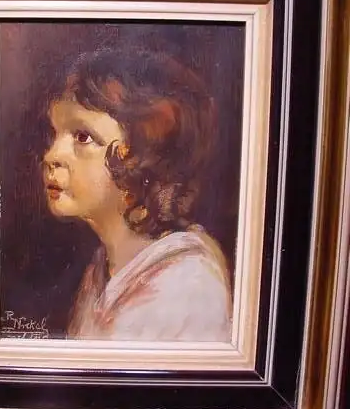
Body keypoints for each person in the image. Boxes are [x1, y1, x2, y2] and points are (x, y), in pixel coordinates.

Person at [42, 47, 232, 342]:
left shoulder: (187, 285)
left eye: (82, 137)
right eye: (54, 134)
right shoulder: (101, 271)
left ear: (143, 159)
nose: (51, 156)